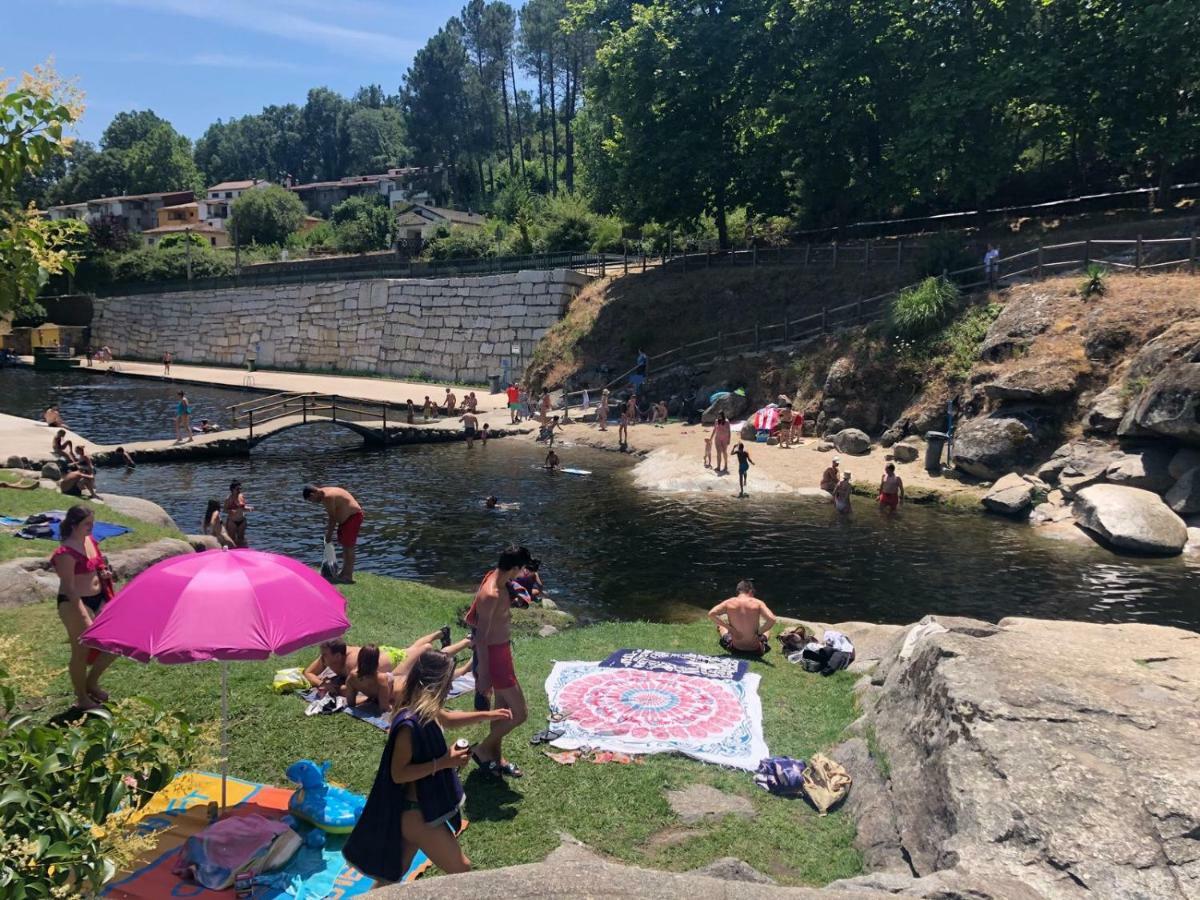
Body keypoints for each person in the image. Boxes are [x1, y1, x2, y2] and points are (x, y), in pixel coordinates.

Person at [341, 650, 513, 884]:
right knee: (461, 869)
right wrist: (446, 762)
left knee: (391, 878)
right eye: (448, 680)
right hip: (416, 814)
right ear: (437, 682)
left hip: (417, 810)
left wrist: (490, 714)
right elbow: (399, 774)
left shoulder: (424, 709)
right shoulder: (409, 724)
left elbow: (449, 719)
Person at [464, 545, 533, 778]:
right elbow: (481, 638)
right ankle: (483, 749)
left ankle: (497, 758)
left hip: (502, 651)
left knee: (502, 711)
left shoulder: (498, 578)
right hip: (494, 657)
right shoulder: (491, 594)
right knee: (520, 713)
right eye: (522, 568)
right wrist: (483, 674)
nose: (523, 573)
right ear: (513, 567)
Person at [51, 506, 117, 710]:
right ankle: (81, 698)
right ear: (73, 525)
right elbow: (70, 589)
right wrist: (84, 616)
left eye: (92, 523)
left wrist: (104, 573)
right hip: (75, 603)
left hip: (99, 598)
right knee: (81, 651)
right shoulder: (65, 552)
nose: (91, 527)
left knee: (115, 643)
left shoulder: (90, 541)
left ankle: (91, 683)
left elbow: (98, 567)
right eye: (87, 524)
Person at [344, 632, 473, 710]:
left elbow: (352, 702)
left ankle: (467, 643)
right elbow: (383, 707)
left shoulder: (352, 677)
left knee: (428, 653)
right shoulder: (379, 678)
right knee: (433, 665)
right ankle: (468, 663)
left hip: (398, 678)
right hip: (403, 681)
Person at [303, 484, 364, 583]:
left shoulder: (327, 497)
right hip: (346, 521)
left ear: (313, 494)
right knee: (345, 546)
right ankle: (344, 573)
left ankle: (348, 576)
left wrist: (329, 535)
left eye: (311, 500)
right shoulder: (324, 492)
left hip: (353, 517)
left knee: (349, 547)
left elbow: (332, 518)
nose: (313, 502)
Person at [707, 579, 777, 657]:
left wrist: (730, 629)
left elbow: (711, 614)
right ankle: (761, 638)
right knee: (767, 630)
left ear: (739, 591)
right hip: (756, 650)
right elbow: (772, 619)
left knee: (721, 626)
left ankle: (727, 633)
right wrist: (758, 633)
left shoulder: (729, 602)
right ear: (750, 591)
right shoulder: (758, 603)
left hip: (735, 649)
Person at [224, 481, 251, 547]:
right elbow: (224, 510)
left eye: (240, 489)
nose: (239, 490)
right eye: (237, 489)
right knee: (232, 540)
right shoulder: (228, 499)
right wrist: (231, 511)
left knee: (241, 538)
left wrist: (249, 508)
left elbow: (243, 507)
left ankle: (242, 552)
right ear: (232, 489)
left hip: (242, 520)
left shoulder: (241, 496)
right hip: (232, 522)